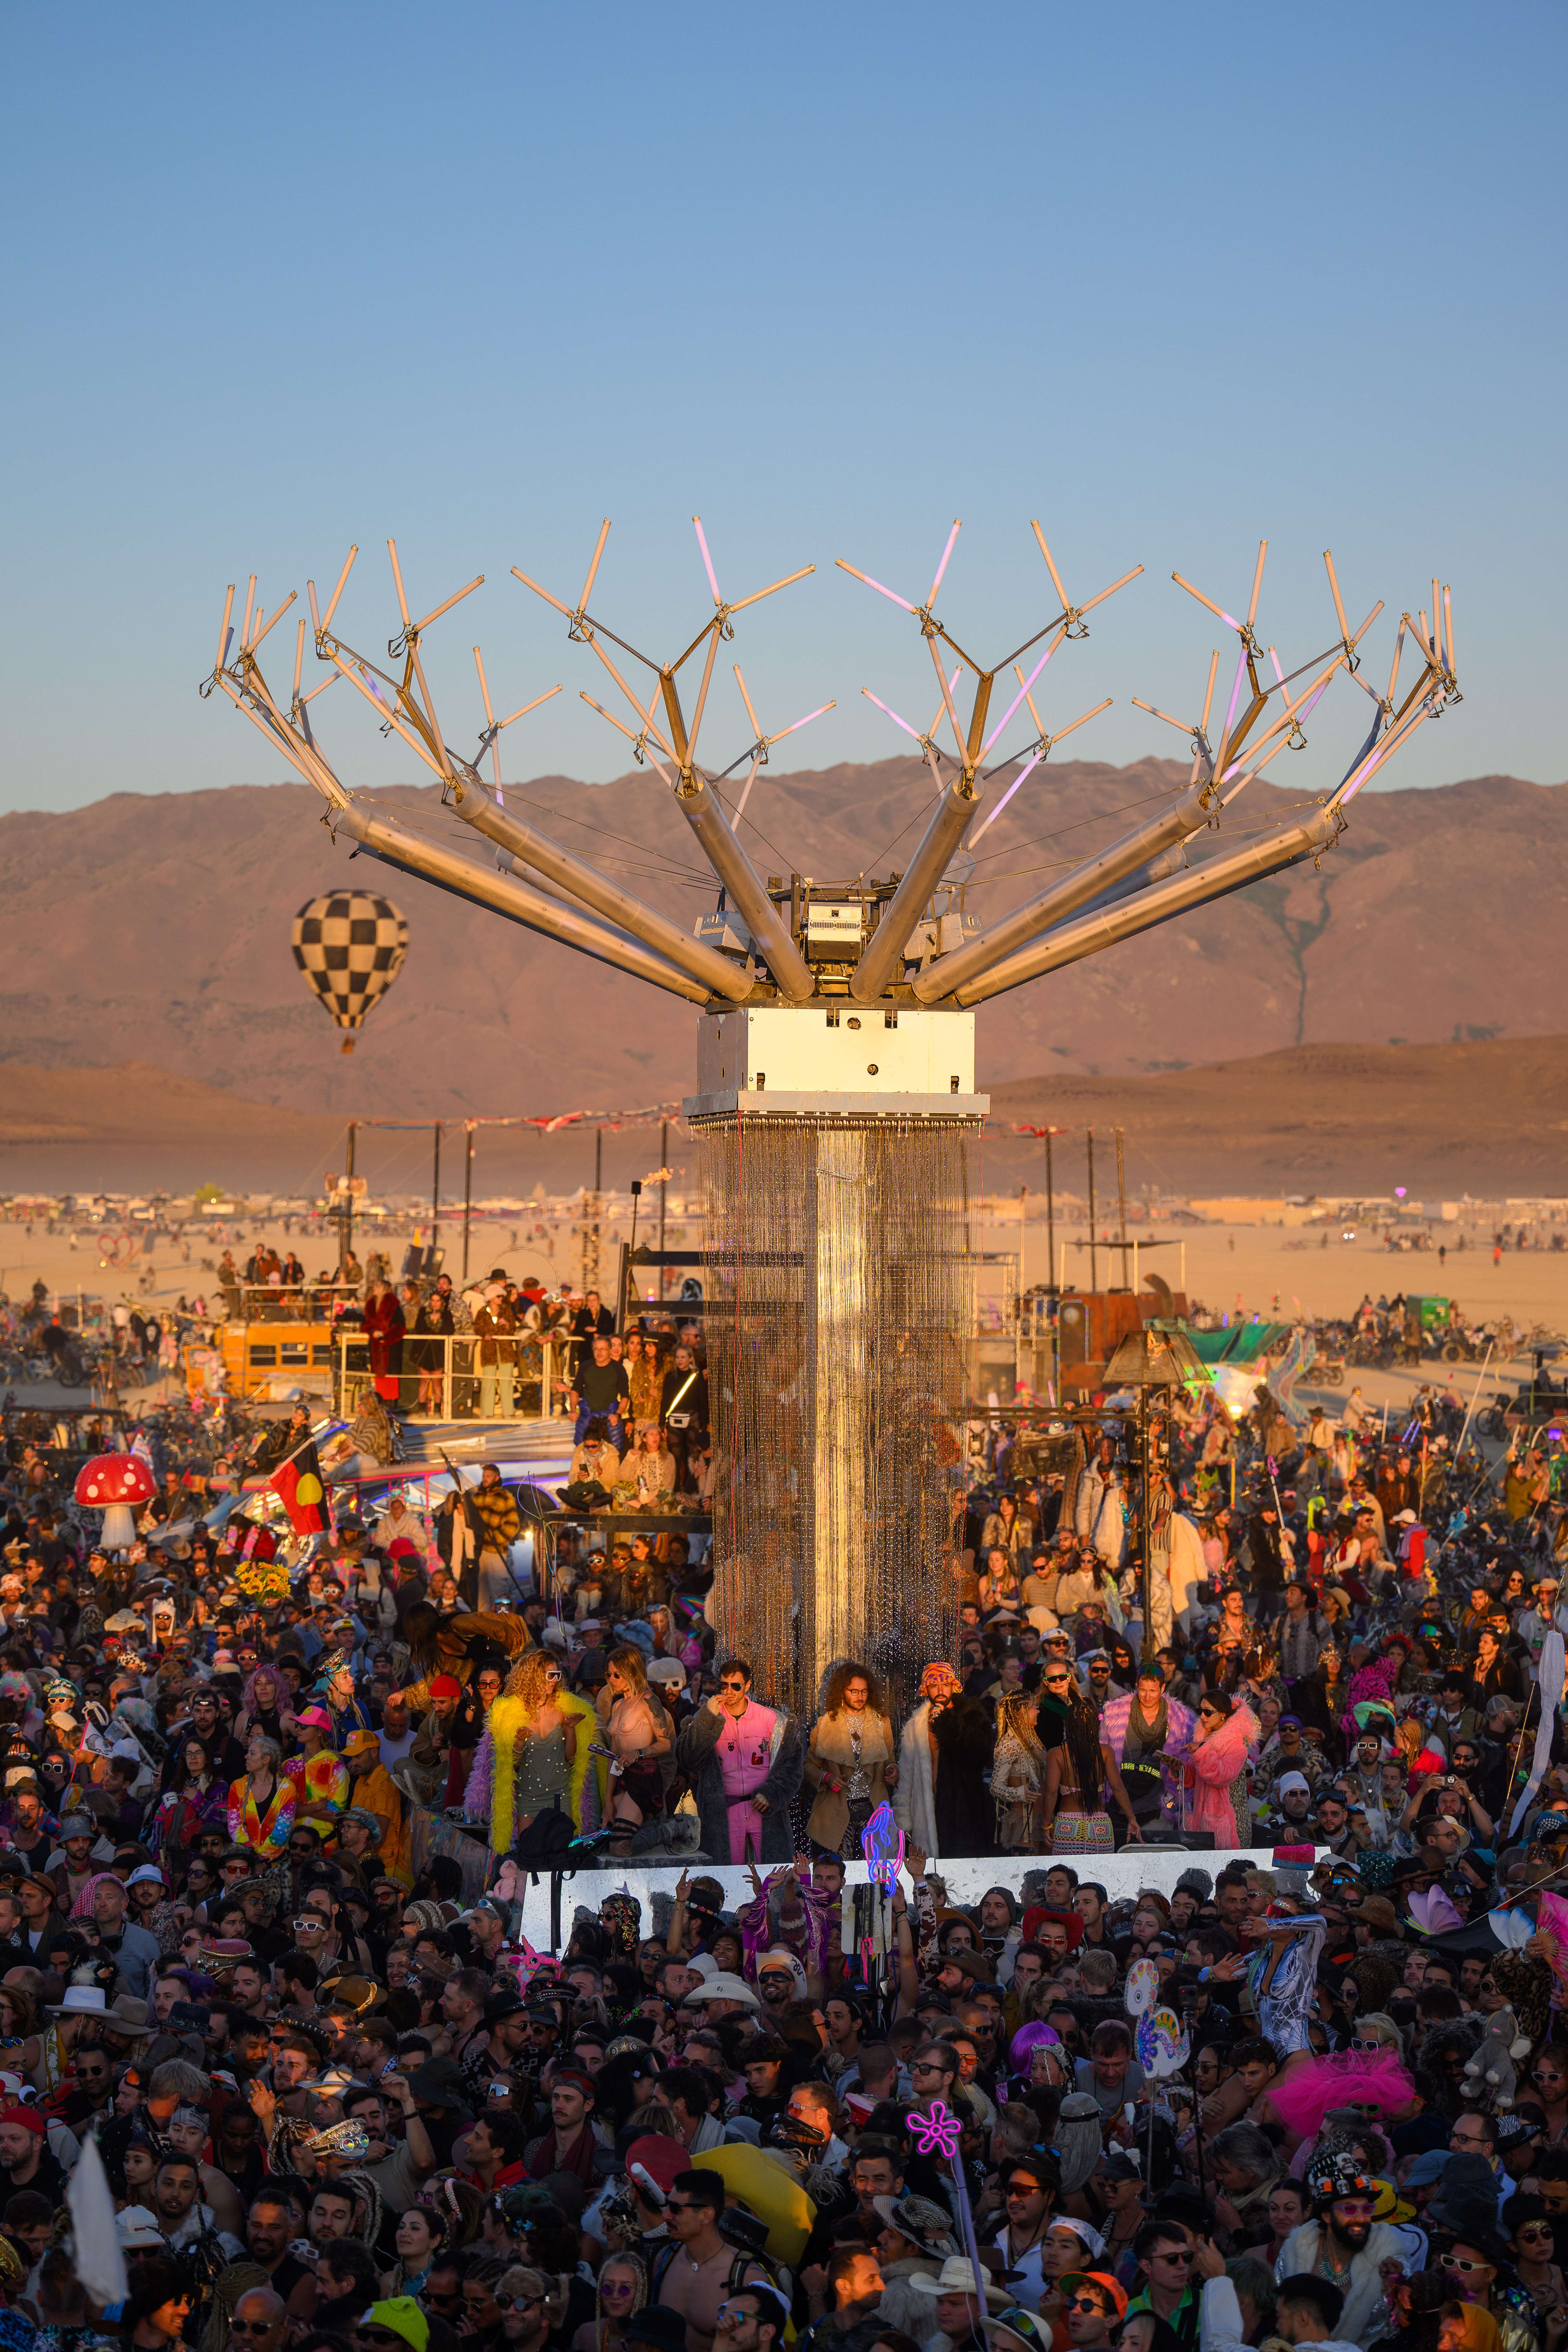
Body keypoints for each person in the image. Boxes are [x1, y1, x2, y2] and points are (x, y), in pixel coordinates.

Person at [675, 1659, 803, 1865]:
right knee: (727, 1874)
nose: (729, 1691)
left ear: (748, 1686)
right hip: (724, 1809)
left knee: (775, 1872)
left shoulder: (773, 1720)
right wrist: (708, 1718)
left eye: (736, 1686)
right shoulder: (707, 1716)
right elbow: (688, 1759)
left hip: (763, 1809)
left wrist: (771, 1794)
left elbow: (792, 1767)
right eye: (724, 1685)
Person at [1038, 1657, 1144, 1855]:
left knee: (1068, 1878)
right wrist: (1131, 1818)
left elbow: (1051, 1792)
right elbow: (1118, 1787)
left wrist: (1046, 1824)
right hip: (1100, 1827)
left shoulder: (1057, 1754)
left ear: (1068, 1725)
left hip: (1067, 1827)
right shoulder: (1104, 1751)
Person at [805, 1663, 898, 1861]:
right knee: (837, 1871)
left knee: (878, 1872)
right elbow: (808, 1766)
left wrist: (892, 1770)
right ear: (842, 1691)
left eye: (864, 1692)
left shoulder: (881, 1722)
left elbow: (890, 1760)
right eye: (854, 1691)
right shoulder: (825, 1724)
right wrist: (826, 1777)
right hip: (837, 1808)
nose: (860, 1696)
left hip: (873, 1807)